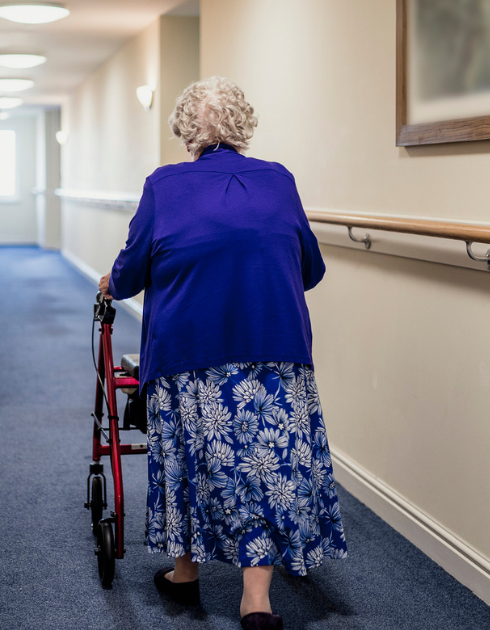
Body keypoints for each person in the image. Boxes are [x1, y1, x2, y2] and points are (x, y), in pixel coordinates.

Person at [99, 76, 347, 630]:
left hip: (191, 350)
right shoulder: (279, 181)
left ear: (187, 131)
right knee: (267, 464)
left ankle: (185, 574)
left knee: (191, 456)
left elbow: (133, 269)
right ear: (242, 125)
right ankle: (256, 600)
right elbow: (311, 268)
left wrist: (110, 283)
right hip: (275, 346)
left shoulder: (164, 186)